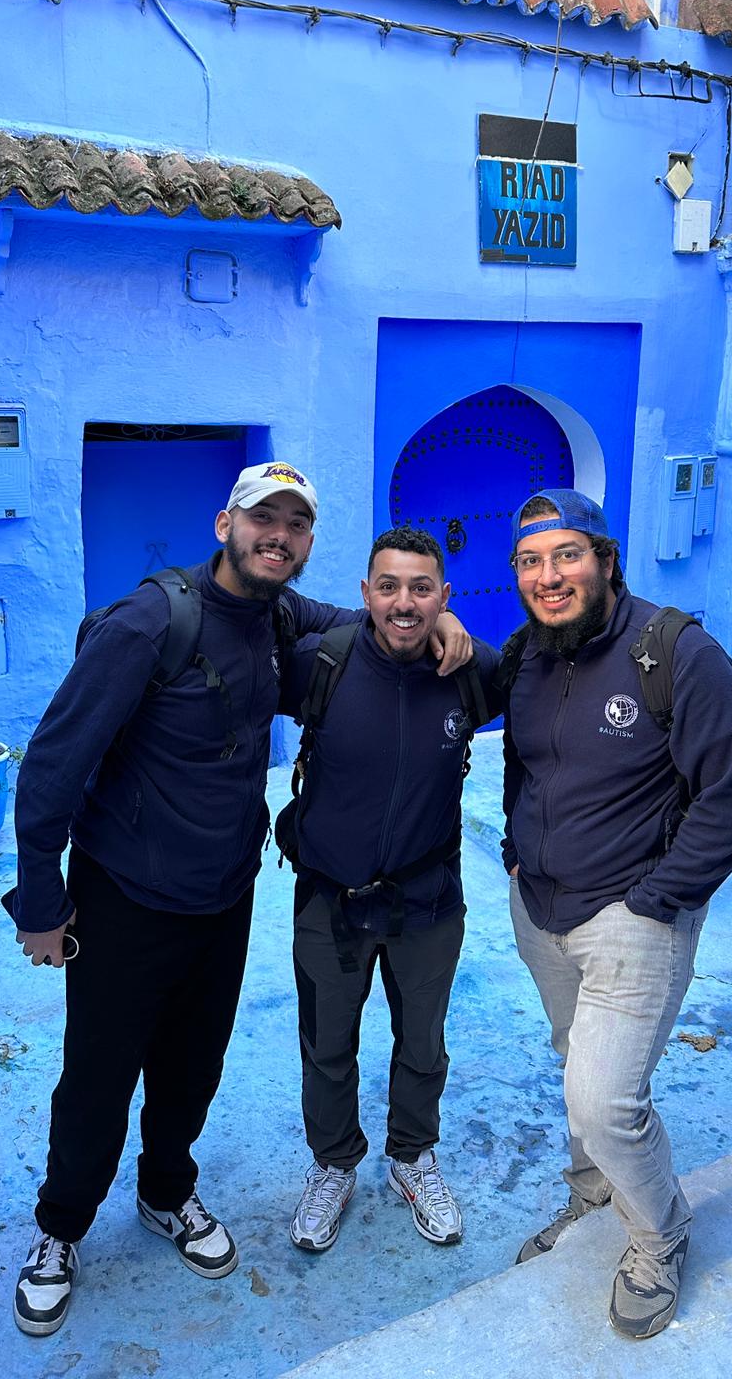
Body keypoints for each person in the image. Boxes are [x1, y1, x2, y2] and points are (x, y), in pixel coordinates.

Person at [5, 465, 470, 1337]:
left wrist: (438, 616)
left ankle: (165, 1194)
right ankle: (59, 1229)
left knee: (193, 1064)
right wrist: (41, 899)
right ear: (225, 522)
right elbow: (54, 763)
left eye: (297, 524)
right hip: (125, 896)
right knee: (100, 1077)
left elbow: (360, 621)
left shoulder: (277, 615)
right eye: (264, 518)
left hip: (224, 896)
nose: (279, 536)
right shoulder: (153, 621)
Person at [501, 489, 732, 1340]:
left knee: (605, 1100)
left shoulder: (675, 652)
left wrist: (659, 898)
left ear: (606, 561)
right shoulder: (529, 656)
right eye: (532, 562)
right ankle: (594, 1200)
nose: (551, 576)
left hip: (634, 916)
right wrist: (517, 851)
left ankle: (660, 1236)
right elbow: (527, 767)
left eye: (568, 555)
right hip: (541, 912)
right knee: (575, 1064)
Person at [277, 527, 500, 1254]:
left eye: (423, 589)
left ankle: (412, 1157)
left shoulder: (471, 672)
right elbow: (257, 616)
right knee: (327, 1045)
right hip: (328, 901)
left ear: (445, 595)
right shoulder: (323, 664)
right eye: (389, 587)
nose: (405, 604)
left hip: (429, 901)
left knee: (423, 1044)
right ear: (365, 592)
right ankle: (334, 1162)